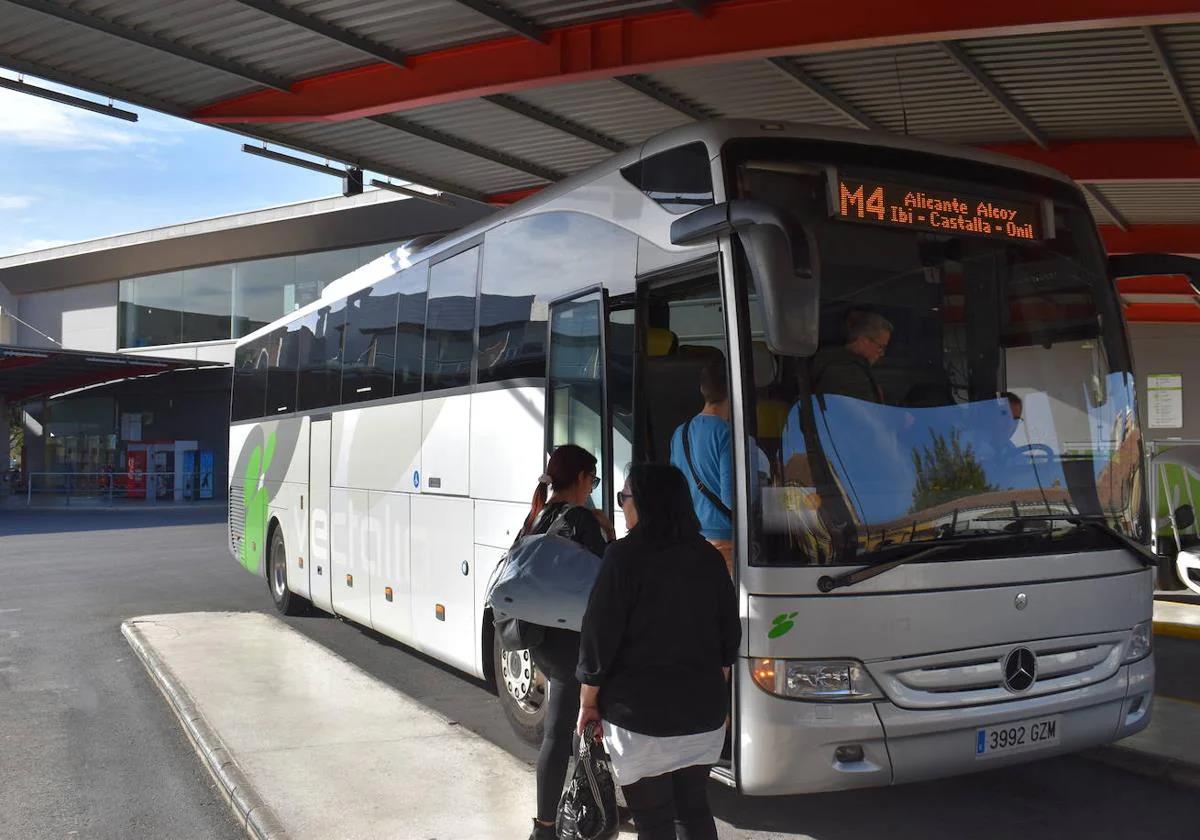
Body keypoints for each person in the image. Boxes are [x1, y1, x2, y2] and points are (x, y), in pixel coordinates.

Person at [577, 463, 740, 840]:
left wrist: (587, 703)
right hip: (702, 716)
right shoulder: (709, 557)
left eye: (624, 497)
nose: (621, 505)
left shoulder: (623, 557)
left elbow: (598, 639)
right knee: (694, 811)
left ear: (644, 502)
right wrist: (714, 690)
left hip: (640, 722)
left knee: (653, 822)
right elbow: (729, 638)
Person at [519, 444, 611, 840]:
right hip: (576, 639)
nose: (592, 488)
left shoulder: (537, 516)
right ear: (580, 479)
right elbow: (606, 579)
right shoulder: (581, 519)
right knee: (578, 730)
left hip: (543, 640)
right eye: (593, 480)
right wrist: (608, 532)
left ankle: (544, 825)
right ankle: (588, 811)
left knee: (559, 733)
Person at [670, 355, 735, 575]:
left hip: (691, 540)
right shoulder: (726, 434)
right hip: (725, 544)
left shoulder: (680, 432)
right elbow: (731, 499)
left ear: (702, 389)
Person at [810, 309, 892, 403]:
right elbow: (863, 414)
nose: (882, 353)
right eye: (881, 347)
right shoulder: (849, 373)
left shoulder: (833, 362)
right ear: (864, 340)